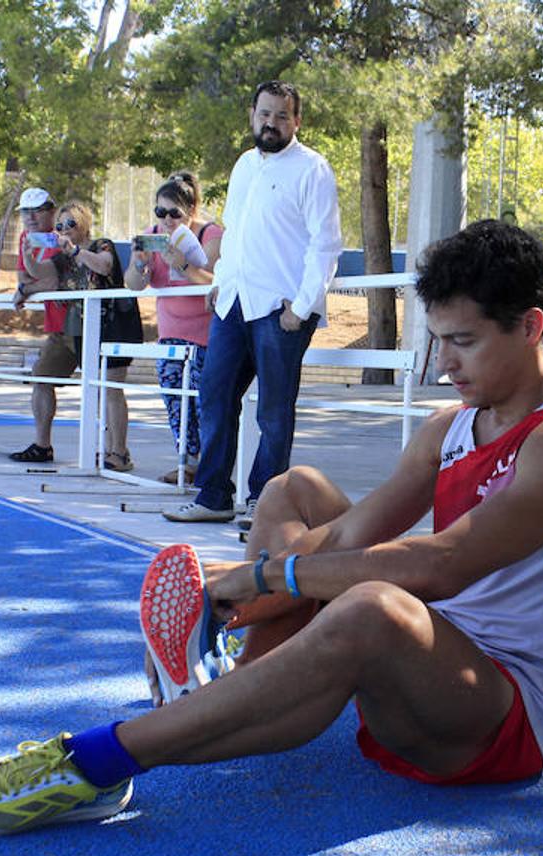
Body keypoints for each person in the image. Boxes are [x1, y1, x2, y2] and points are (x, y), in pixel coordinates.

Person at [0, 219, 543, 837]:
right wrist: (249, 594)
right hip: (428, 661)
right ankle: (241, 676)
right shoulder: (453, 424)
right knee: (296, 490)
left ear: (533, 326)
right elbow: (357, 532)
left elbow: (441, 565)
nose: (441, 363)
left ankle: (92, 766)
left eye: (464, 342)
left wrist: (265, 576)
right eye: (437, 340)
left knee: (373, 606)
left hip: (504, 712)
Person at [164, 80, 342, 526]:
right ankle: (213, 496)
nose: (272, 122)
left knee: (273, 411)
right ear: (253, 115)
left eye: (282, 115)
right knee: (214, 395)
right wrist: (220, 280)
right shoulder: (244, 165)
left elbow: (326, 245)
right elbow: (236, 230)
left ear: (296, 121)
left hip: (280, 310)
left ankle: (266, 503)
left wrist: (302, 308)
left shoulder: (313, 169)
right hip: (233, 304)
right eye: (265, 113)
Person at [124, 171, 222, 483]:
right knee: (173, 398)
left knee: (203, 400)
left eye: (174, 213)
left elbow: (216, 281)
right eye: (160, 212)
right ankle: (187, 460)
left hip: (206, 334)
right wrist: (140, 263)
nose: (166, 219)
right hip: (170, 333)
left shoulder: (210, 233)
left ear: (191, 210)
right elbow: (134, 284)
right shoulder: (150, 234)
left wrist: (180, 263)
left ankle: (210, 463)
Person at [48, 200, 145, 472]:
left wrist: (76, 251)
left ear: (84, 225)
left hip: (113, 325)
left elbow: (104, 266)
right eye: (60, 225)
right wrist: (30, 255)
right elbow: (43, 277)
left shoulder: (102, 245)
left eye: (71, 223)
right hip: (82, 329)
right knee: (100, 391)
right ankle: (111, 449)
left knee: (111, 389)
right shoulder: (62, 256)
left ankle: (120, 452)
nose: (65, 229)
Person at [7, 188, 64, 463]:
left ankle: (116, 451)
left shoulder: (63, 233)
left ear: (51, 211)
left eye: (37, 210)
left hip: (82, 320)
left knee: (104, 386)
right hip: (57, 324)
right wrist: (26, 286)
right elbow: (23, 275)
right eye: (25, 212)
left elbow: (54, 281)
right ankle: (42, 446)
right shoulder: (25, 238)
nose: (30, 217)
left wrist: (25, 288)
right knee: (41, 376)